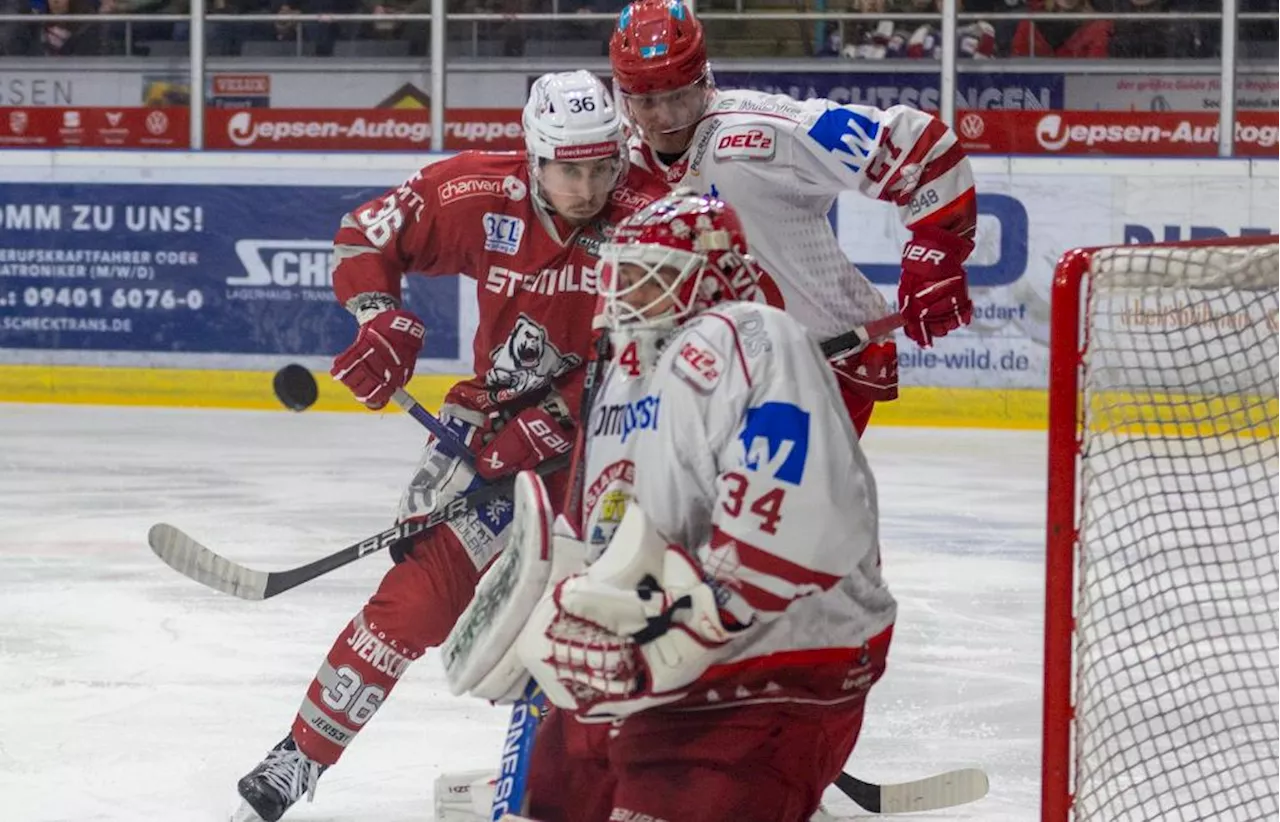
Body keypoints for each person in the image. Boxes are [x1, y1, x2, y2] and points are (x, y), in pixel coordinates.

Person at [232, 70, 667, 822]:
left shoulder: (652, 214)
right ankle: (299, 756)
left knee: (617, 618)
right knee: (415, 604)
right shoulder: (479, 192)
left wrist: (564, 419)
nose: (589, 185)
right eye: (570, 168)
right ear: (534, 155)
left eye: (603, 167)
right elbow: (366, 230)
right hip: (495, 435)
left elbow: (683, 337)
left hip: (621, 443)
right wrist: (379, 317)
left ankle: (662, 775)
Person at [448, 189, 896, 822]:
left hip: (782, 665)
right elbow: (612, 523)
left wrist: (683, 629)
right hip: (668, 662)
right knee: (552, 795)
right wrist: (550, 613)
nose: (625, 295)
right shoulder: (625, 372)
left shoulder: (753, 334)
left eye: (647, 277)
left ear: (715, 274)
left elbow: (794, 515)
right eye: (620, 276)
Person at [608, 0, 979, 437]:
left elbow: (922, 145)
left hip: (823, 364)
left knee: (774, 503)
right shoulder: (623, 169)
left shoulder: (761, 131)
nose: (666, 117)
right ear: (625, 97)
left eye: (678, 95)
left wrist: (935, 254)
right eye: (649, 101)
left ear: (703, 78)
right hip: (717, 380)